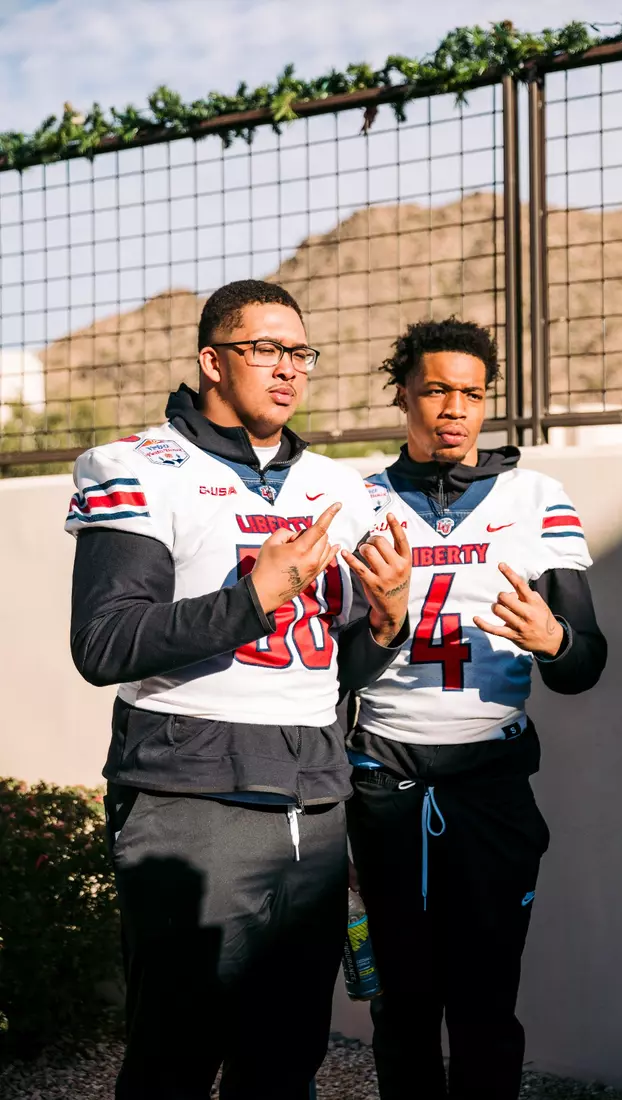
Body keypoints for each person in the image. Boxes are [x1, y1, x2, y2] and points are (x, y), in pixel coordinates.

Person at [65, 280, 412, 1100]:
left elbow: (330, 672)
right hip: (194, 798)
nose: (288, 369)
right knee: (176, 1057)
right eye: (264, 348)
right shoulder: (137, 466)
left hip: (314, 803)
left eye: (300, 352)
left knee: (287, 1058)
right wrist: (255, 597)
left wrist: (387, 624)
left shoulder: (341, 487)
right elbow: (105, 642)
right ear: (211, 360)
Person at [345, 318, 607, 1100]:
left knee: (487, 1003)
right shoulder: (356, 500)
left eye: (471, 393)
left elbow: (583, 664)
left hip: (489, 784)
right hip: (385, 784)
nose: (454, 409)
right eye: (435, 390)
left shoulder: (536, 497)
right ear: (403, 395)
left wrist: (553, 638)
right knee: (403, 1005)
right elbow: (332, 668)